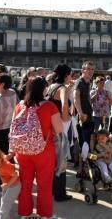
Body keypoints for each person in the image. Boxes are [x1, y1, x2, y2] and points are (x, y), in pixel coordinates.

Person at [14, 76, 63, 218]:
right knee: (44, 185)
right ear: (44, 89)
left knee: (25, 184)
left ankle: (25, 213)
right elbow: (59, 129)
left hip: (23, 151)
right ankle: (45, 214)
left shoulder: (20, 106)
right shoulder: (49, 106)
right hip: (44, 151)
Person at [47, 64, 74, 202]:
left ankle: (52, 190)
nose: (71, 77)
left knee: (53, 161)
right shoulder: (62, 88)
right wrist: (65, 118)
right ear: (66, 75)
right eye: (70, 74)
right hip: (60, 128)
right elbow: (64, 104)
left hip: (50, 128)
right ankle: (60, 194)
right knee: (61, 162)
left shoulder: (51, 87)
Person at [74, 61, 95, 149]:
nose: (91, 71)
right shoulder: (79, 82)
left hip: (89, 115)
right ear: (83, 70)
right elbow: (76, 98)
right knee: (83, 144)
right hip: (82, 117)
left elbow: (88, 97)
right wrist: (80, 113)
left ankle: (86, 161)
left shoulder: (87, 83)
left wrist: (91, 109)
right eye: (88, 69)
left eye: (92, 69)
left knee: (88, 142)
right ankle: (82, 162)